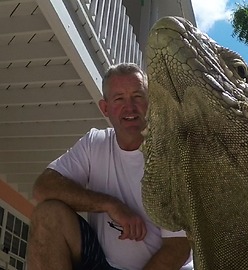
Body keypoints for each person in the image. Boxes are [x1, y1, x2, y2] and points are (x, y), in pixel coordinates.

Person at [27, 63, 193, 270]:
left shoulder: (170, 158)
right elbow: (43, 187)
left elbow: (178, 247)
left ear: (151, 103)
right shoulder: (95, 143)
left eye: (138, 96)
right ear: (105, 108)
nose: (129, 107)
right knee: (48, 214)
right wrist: (111, 205)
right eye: (119, 99)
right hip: (103, 263)